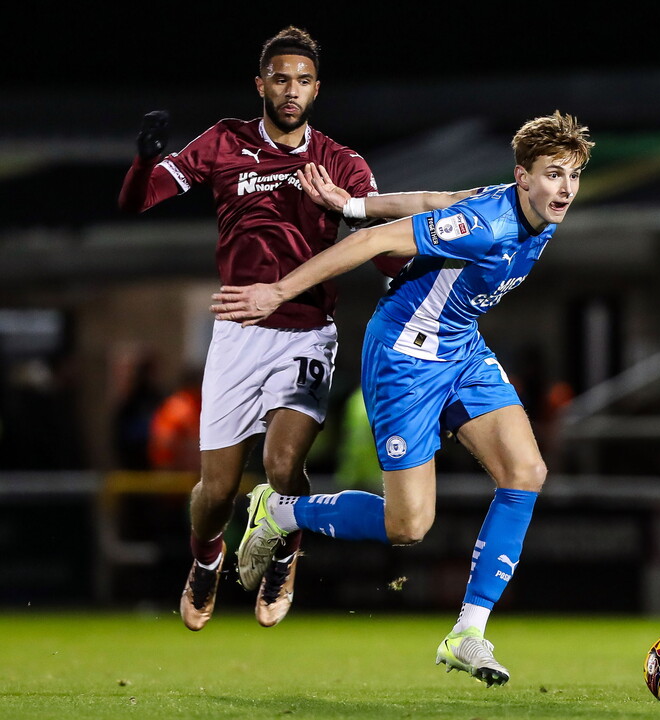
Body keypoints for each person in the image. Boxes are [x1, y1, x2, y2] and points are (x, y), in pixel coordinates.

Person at [211, 111, 594, 685]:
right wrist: (280, 291)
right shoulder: (489, 224)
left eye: (572, 175)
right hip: (405, 357)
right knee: (409, 525)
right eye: (552, 174)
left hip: (461, 348)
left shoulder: (534, 210)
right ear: (523, 177)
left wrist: (356, 202)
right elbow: (374, 244)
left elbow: (440, 197)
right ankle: (277, 510)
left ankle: (468, 633)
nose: (564, 188)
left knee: (526, 470)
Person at [117, 26, 473, 631]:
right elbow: (137, 201)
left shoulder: (340, 164)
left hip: (307, 333)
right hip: (235, 333)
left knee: (283, 465)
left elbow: (381, 249)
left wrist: (440, 262)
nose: (291, 90)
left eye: (303, 81)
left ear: (316, 90)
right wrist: (147, 157)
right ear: (261, 84)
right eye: (280, 78)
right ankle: (206, 559)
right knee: (217, 492)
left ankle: (284, 548)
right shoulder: (224, 142)